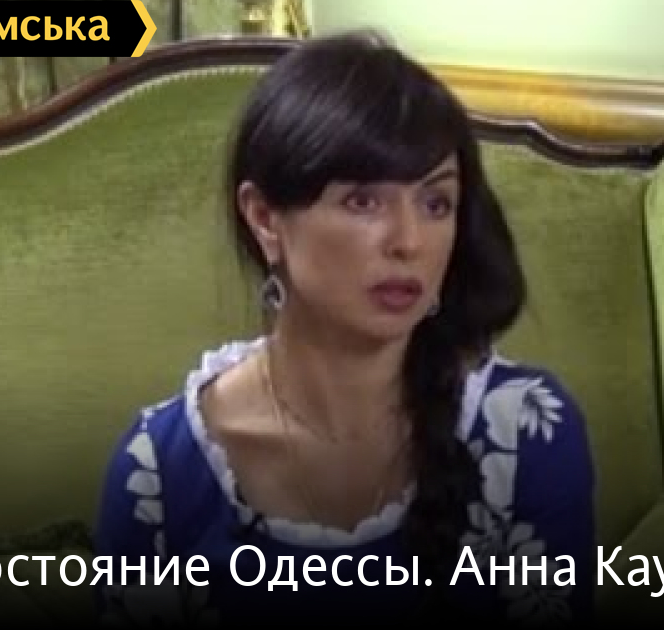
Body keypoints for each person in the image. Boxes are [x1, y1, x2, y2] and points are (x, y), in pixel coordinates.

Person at [92, 31, 596, 627]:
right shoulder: (157, 470)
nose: (409, 241)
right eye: (363, 202)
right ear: (265, 219)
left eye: (435, 203)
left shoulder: (528, 429)